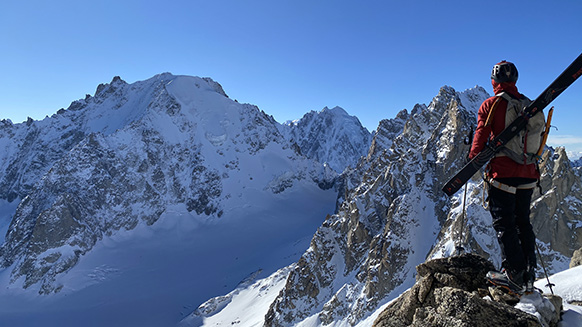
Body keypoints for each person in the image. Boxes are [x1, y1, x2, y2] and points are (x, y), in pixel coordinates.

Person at [469, 60, 543, 292]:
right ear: (515, 80)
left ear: (494, 82)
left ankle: (513, 274)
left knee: (505, 224)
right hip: (529, 175)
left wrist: (472, 157)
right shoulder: (528, 104)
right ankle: (529, 274)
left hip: (503, 175)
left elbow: (480, 140)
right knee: (523, 222)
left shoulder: (491, 105)